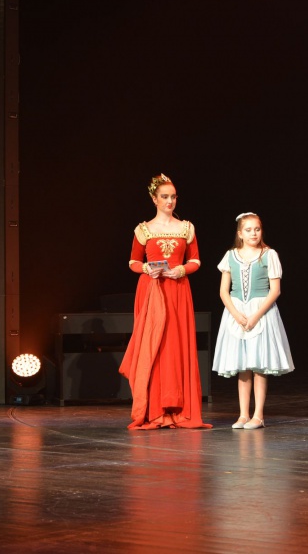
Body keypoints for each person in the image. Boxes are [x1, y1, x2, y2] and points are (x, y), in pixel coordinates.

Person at [119, 173, 211, 430]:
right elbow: (133, 261)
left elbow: (195, 260)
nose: (170, 201)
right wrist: (146, 268)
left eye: (173, 197)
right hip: (152, 290)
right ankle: (155, 409)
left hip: (178, 290)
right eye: (165, 197)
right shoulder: (143, 229)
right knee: (155, 346)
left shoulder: (186, 228)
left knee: (176, 344)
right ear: (154, 199)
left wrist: (181, 270)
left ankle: (178, 408)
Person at [212, 213, 294, 429]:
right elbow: (223, 291)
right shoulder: (231, 256)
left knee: (259, 364)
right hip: (237, 312)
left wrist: (256, 315)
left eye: (257, 229)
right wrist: (236, 314)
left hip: (262, 312)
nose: (253, 233)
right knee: (243, 366)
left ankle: (258, 415)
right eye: (248, 230)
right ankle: (243, 414)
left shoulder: (269, 255)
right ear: (240, 233)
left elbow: (275, 290)